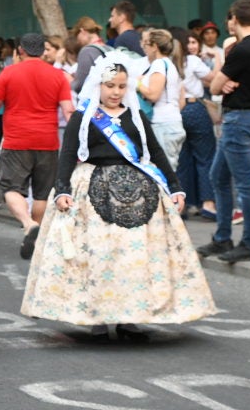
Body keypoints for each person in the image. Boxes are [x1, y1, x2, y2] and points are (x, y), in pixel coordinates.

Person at [20, 51, 215, 339]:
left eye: (122, 86)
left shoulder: (135, 116)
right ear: (98, 85)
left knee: (132, 259)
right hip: (90, 191)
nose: (116, 92)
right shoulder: (84, 116)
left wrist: (175, 186)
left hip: (136, 194)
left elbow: (156, 151)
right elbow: (68, 154)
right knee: (96, 257)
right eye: (110, 86)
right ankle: (97, 317)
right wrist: (61, 189)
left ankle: (129, 319)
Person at [0, 32, 75, 258]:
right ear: (43, 50)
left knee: (12, 189)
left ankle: (29, 225)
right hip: (48, 140)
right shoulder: (58, 75)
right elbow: (68, 110)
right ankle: (37, 235)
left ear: (20, 51)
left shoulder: (9, 73)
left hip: (18, 140)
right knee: (42, 193)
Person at [198, 0, 250, 264]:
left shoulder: (242, 50)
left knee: (244, 185)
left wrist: (225, 80)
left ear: (233, 19)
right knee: (218, 176)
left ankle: (249, 242)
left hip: (238, 119)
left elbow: (216, 86)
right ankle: (222, 238)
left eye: (228, 19)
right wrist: (226, 81)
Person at [176, 29, 217, 220]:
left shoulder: (167, 62)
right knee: (205, 157)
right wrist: (217, 57)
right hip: (195, 108)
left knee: (182, 160)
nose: (192, 46)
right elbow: (212, 79)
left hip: (176, 112)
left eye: (195, 42)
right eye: (189, 42)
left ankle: (182, 205)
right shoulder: (192, 60)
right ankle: (208, 203)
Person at [136, 28, 184, 167]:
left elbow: (153, 94)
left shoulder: (158, 64)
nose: (144, 49)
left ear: (155, 47)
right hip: (172, 121)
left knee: (163, 171)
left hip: (163, 124)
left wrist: (137, 83)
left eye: (146, 45)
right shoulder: (170, 64)